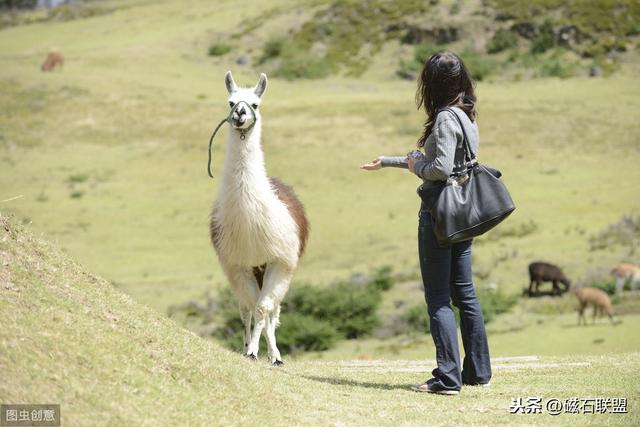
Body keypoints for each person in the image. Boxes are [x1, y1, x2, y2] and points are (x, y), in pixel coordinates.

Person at [361, 51, 491, 395]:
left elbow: (438, 169)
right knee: (464, 293)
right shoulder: (467, 113)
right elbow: (444, 161)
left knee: (437, 297)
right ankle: (477, 371)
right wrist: (390, 161)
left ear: (433, 84)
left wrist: (415, 166)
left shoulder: (446, 119)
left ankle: (447, 378)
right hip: (463, 212)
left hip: (439, 215)